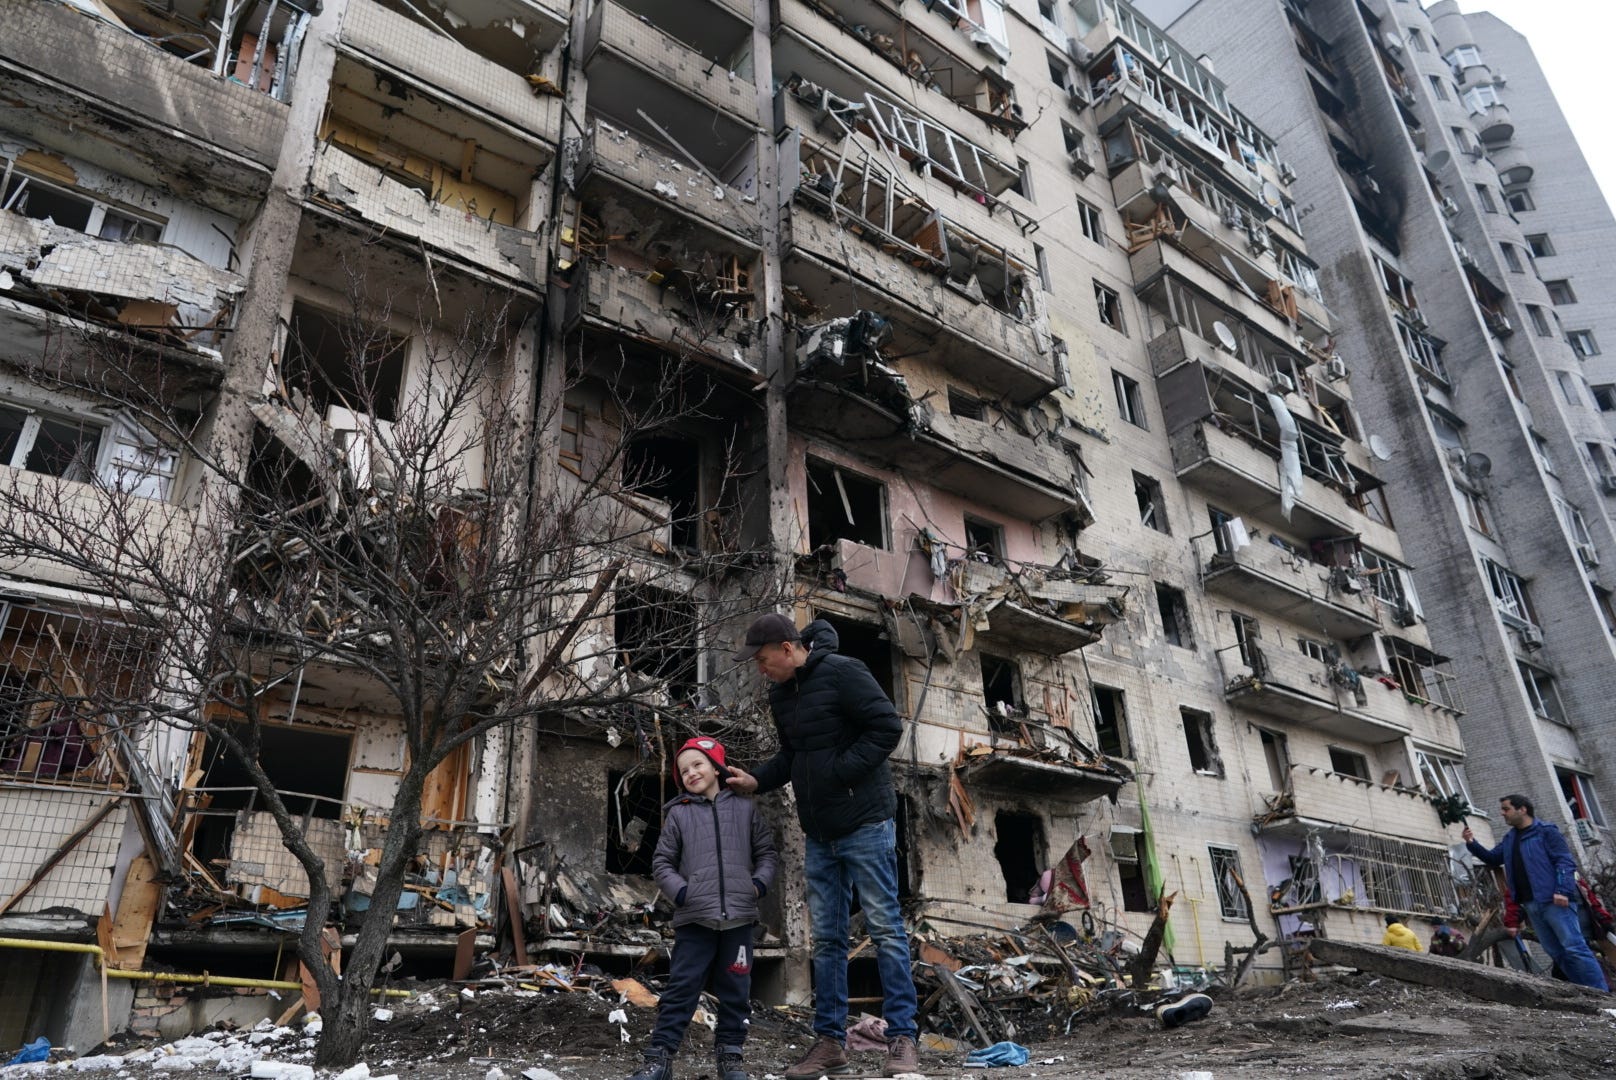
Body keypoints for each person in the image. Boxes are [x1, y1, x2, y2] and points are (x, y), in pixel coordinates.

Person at [726, 614, 920, 1078]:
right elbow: (794, 755)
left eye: (763, 659)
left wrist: (838, 773)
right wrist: (758, 780)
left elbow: (886, 728)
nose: (760, 669)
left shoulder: (845, 671)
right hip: (821, 832)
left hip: (867, 822)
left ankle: (902, 1039)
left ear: (788, 649)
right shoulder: (782, 693)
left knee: (886, 928)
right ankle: (830, 1043)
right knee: (828, 939)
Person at [629, 737, 778, 1080]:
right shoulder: (679, 814)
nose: (691, 772)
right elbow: (663, 863)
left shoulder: (745, 809)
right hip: (695, 918)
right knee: (682, 988)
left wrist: (756, 886)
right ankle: (659, 1060)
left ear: (716, 768)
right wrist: (682, 893)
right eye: (684, 770)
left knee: (736, 991)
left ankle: (731, 1060)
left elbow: (767, 854)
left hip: (739, 919)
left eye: (698, 764)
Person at [1463, 794, 1609, 991]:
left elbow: (1564, 862)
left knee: (1574, 948)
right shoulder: (1510, 839)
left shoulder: (1546, 832)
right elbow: (1492, 858)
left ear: (1522, 809)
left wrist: (1563, 890)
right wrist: (1472, 843)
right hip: (1531, 904)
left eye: (1506, 809)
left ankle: (1601, 992)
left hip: (1554, 901)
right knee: (1556, 952)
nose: (1502, 813)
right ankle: (1585, 992)